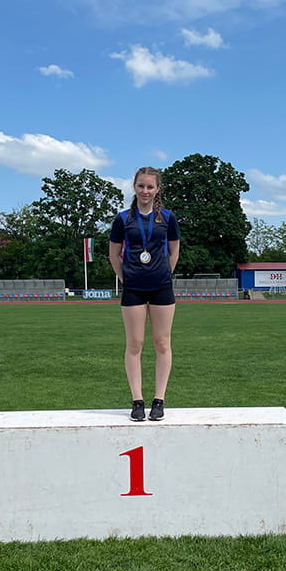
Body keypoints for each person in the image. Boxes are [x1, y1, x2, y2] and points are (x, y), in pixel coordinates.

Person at [109, 167, 181, 422]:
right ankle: (137, 401)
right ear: (134, 187)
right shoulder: (123, 219)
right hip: (133, 289)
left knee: (162, 343)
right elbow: (114, 254)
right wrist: (125, 277)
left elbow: (174, 251)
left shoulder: (168, 218)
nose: (145, 191)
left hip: (162, 287)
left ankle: (159, 401)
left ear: (157, 189)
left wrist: (164, 274)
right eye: (141, 186)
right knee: (135, 344)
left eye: (150, 187)